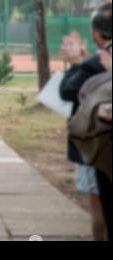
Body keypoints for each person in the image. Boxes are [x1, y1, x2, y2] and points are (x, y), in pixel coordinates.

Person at [60, 1, 112, 240]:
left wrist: (75, 64)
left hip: (99, 144)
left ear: (96, 34)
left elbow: (67, 90)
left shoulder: (96, 62)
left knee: (100, 210)